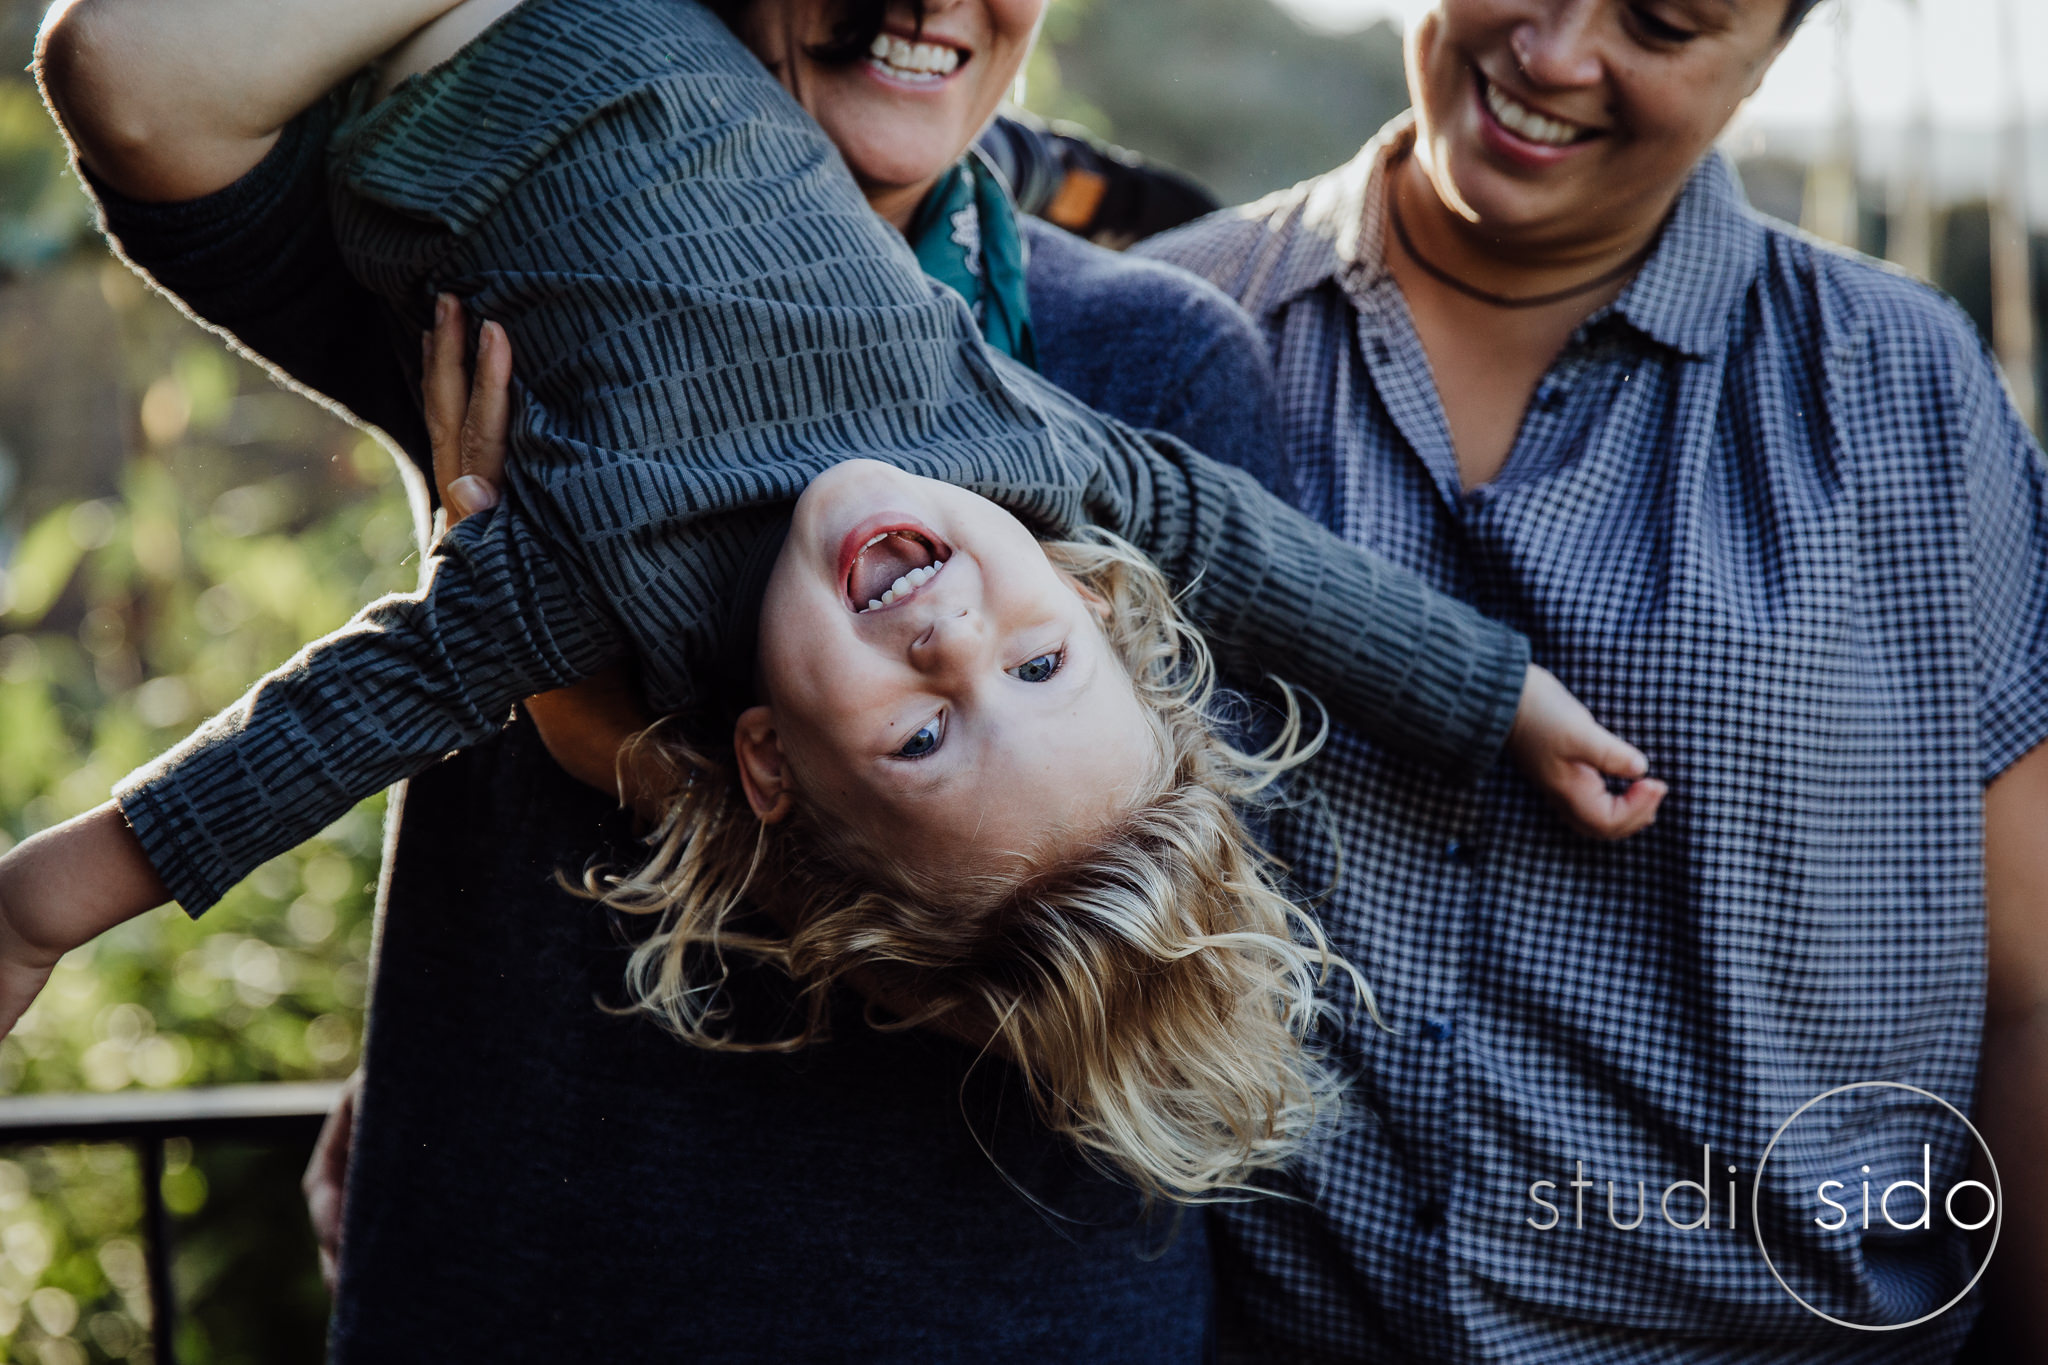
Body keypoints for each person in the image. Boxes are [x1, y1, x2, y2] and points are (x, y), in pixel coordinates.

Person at [24, 0, 1661, 1357]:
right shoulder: (1017, 466)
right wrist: (1499, 691)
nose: (959, 636)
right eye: (1039, 653)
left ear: (770, 763)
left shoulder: (1104, 371)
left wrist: (595, 726)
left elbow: (321, 726)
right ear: (1096, 603)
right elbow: (1254, 561)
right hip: (503, 1270)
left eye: (931, 723)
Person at [1132, 0, 2048, 1358]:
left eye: (1665, 22)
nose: (1554, 55)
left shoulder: (1903, 391)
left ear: (1768, 58)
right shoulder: (1160, 337)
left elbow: (2032, 994)